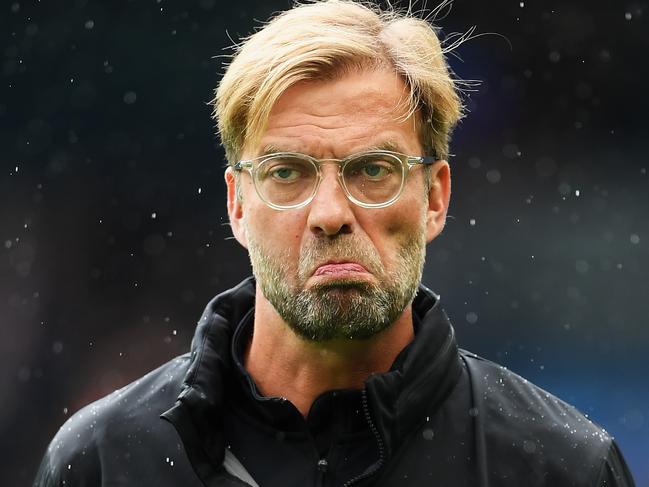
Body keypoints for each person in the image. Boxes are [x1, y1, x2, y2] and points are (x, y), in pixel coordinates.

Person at [34, 1, 635, 486]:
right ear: (237, 205)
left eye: (372, 170)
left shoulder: (560, 468)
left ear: (434, 197)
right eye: (288, 172)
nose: (329, 214)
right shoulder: (104, 462)